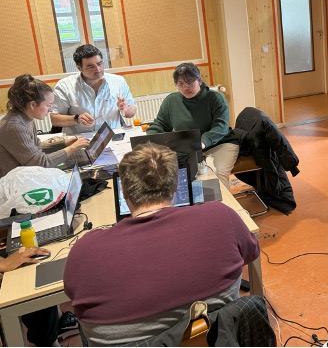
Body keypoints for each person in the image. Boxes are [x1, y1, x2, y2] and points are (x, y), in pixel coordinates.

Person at [63, 143, 260, 345]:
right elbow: (251, 253)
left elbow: (73, 297)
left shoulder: (83, 253)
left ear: (123, 191)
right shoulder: (221, 216)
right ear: (176, 186)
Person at [147, 63, 240, 188]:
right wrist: (149, 138)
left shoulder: (215, 98)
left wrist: (202, 142)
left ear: (200, 80)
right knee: (171, 172)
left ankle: (222, 206)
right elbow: (160, 124)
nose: (186, 87)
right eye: (180, 84)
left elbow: (220, 127)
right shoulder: (171, 100)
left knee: (217, 173)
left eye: (190, 82)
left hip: (221, 144)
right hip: (189, 146)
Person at [0, 75, 89, 177]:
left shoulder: (26, 118)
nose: (51, 109)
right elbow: (41, 163)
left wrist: (64, 143)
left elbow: (36, 148)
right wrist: (72, 148)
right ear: (33, 105)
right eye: (48, 105)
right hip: (12, 184)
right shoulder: (13, 127)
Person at [51, 44, 136, 135]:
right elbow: (55, 120)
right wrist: (77, 119)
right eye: (91, 67)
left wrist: (125, 109)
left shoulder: (118, 81)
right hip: (80, 140)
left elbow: (131, 112)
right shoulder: (65, 86)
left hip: (112, 137)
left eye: (99, 64)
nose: (98, 69)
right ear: (79, 68)